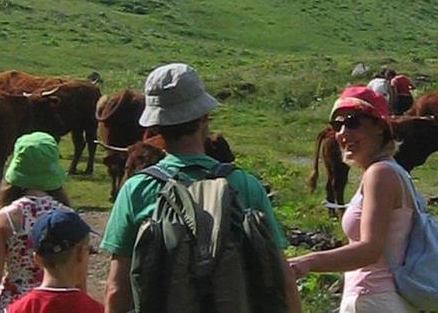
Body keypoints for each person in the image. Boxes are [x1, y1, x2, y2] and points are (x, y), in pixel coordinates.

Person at [99, 63, 300, 313]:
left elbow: (117, 289)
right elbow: (285, 282)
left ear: (155, 126)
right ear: (204, 117)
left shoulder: (136, 189)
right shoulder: (245, 184)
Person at [288, 86, 417, 313]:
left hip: (374, 300)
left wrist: (306, 263)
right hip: (377, 299)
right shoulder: (388, 172)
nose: (343, 133)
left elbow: (369, 249)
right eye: (337, 124)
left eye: (353, 122)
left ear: (379, 127)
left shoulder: (380, 174)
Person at [0, 132, 73, 313]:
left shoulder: (5, 218)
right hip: (55, 305)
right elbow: (76, 276)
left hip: (13, 304)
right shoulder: (67, 216)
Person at [7, 207, 104, 313]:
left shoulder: (18, 309)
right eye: (89, 250)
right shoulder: (94, 309)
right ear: (80, 253)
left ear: (36, 259)